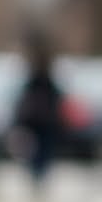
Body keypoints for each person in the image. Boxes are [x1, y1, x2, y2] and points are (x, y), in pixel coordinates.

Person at [12, 28, 64, 183]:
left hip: (42, 123)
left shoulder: (38, 81)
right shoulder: (43, 80)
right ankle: (38, 175)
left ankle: (38, 176)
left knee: (40, 155)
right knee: (41, 155)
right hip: (43, 123)